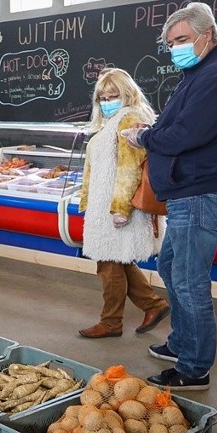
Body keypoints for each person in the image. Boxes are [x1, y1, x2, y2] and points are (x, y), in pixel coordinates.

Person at [121, 2, 217, 391]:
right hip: (187, 193)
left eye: (182, 39)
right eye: (170, 42)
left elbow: (186, 135)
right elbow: (180, 124)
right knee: (173, 267)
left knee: (190, 282)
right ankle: (182, 343)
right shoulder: (202, 70)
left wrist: (144, 137)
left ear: (207, 35)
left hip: (200, 192)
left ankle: (194, 368)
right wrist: (154, 129)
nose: (175, 47)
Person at [76, 69, 170, 339]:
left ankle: (111, 322)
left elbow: (130, 168)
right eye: (102, 97)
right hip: (104, 206)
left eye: (113, 95)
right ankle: (153, 304)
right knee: (116, 261)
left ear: (127, 93)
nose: (107, 101)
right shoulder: (111, 121)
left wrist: (120, 208)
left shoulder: (129, 118)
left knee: (108, 264)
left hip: (117, 207)